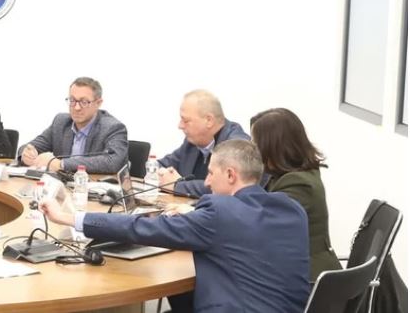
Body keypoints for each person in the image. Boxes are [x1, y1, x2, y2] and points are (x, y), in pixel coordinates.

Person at [40, 139, 311, 313]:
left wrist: (70, 218)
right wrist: (195, 214)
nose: (207, 183)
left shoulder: (219, 213)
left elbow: (142, 228)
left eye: (211, 174)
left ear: (231, 174)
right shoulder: (292, 209)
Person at [250, 107, 342, 280]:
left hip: (307, 278)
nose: (252, 151)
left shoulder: (299, 184)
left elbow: (259, 226)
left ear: (272, 146)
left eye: (255, 144)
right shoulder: (288, 175)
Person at [17, 77, 128, 174]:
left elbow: (113, 161)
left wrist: (61, 164)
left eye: (84, 102)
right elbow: (31, 146)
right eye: (72, 100)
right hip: (62, 186)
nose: (76, 108)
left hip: (92, 188)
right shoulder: (61, 122)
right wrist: (26, 154)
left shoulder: (113, 127)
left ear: (98, 103)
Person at [156, 89, 249, 197]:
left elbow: (224, 187)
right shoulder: (193, 142)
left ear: (209, 120)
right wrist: (157, 171)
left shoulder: (237, 146)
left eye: (185, 120)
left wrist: (178, 185)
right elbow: (163, 164)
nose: (180, 126)